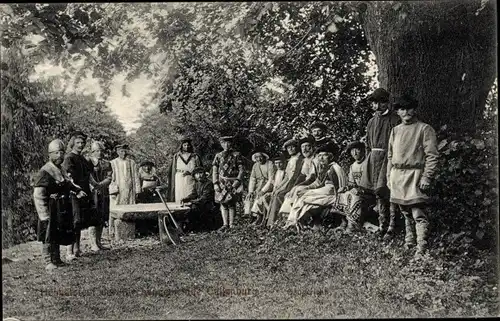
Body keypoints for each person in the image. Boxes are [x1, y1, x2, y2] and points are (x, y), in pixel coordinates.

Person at [387, 94, 439, 257]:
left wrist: (426, 177)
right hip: (398, 175)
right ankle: (409, 241)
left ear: (415, 109)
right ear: (397, 112)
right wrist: (389, 176)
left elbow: (432, 155)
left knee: (417, 211)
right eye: (402, 109)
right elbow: (390, 155)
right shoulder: (395, 131)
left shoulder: (424, 129)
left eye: (409, 108)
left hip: (415, 174)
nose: (406, 112)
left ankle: (421, 246)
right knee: (404, 210)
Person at [33, 139, 85, 271]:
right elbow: (38, 194)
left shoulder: (60, 169)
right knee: (48, 235)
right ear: (50, 154)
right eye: (56, 153)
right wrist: (43, 214)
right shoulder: (45, 171)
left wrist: (77, 190)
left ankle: (56, 258)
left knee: (57, 233)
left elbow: (68, 183)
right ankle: (47, 260)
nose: (59, 156)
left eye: (61, 153)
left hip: (59, 207)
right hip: (49, 208)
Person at [358, 88, 401, 241]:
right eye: (374, 103)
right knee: (377, 194)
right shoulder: (371, 121)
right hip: (374, 158)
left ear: (387, 103)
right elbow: (368, 144)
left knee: (389, 191)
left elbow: (398, 143)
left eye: (381, 103)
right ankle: (382, 224)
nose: (377, 106)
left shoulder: (395, 120)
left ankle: (393, 225)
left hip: (388, 158)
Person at [283, 144, 347, 231]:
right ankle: (293, 222)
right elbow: (318, 182)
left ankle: (293, 222)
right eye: (319, 156)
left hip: (332, 195)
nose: (321, 158)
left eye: (324, 155)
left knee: (303, 197)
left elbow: (341, 186)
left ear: (330, 156)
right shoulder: (323, 168)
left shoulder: (335, 168)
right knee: (302, 196)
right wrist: (307, 188)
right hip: (323, 193)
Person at [62, 131, 97, 260]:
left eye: (82, 143)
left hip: (85, 192)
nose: (80, 145)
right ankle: (69, 251)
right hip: (73, 194)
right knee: (73, 221)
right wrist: (75, 191)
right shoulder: (69, 158)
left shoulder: (83, 159)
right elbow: (68, 178)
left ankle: (77, 249)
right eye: (78, 143)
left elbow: (89, 175)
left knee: (81, 221)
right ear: (73, 143)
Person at [266, 138, 304, 227]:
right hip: (289, 182)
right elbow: (287, 177)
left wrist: (284, 188)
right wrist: (279, 187)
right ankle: (270, 222)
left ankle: (277, 221)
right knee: (275, 193)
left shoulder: (300, 159)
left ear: (296, 148)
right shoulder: (290, 159)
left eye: (292, 147)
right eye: (288, 148)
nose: (290, 149)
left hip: (296, 183)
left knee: (279, 195)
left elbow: (296, 176)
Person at [336, 141, 372, 233]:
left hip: (369, 193)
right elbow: (352, 183)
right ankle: (344, 222)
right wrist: (346, 188)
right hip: (357, 191)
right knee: (342, 194)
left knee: (355, 198)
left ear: (363, 151)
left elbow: (372, 183)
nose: (355, 153)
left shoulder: (368, 164)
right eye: (352, 151)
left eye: (357, 150)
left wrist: (361, 190)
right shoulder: (353, 166)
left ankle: (353, 225)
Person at [278, 135, 317, 218]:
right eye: (303, 147)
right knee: (292, 192)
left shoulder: (316, 159)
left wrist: (297, 187)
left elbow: (312, 177)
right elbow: (302, 176)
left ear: (312, 147)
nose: (305, 149)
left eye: (307, 146)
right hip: (306, 183)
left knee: (297, 191)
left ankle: (292, 218)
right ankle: (286, 217)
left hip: (315, 184)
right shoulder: (305, 160)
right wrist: (294, 187)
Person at [212, 135, 245, 230]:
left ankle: (232, 224)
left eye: (228, 143)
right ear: (221, 144)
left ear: (231, 144)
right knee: (223, 203)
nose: (226, 145)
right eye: (224, 143)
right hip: (221, 182)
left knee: (231, 203)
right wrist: (215, 183)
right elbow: (215, 171)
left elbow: (241, 170)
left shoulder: (237, 155)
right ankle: (225, 224)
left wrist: (237, 181)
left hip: (233, 182)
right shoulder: (218, 156)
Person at [108, 144, 141, 238]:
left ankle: (130, 231)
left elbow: (135, 176)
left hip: (130, 189)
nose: (123, 153)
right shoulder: (113, 163)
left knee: (130, 207)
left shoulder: (132, 162)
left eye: (125, 151)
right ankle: (112, 231)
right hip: (118, 189)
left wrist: (137, 189)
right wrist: (112, 189)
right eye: (121, 151)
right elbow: (111, 178)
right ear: (117, 152)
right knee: (115, 209)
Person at [87, 141, 112, 252]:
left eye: (100, 150)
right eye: (96, 150)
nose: (99, 152)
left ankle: (98, 241)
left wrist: (100, 185)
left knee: (102, 217)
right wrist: (94, 186)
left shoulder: (107, 163)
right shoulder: (88, 162)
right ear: (92, 151)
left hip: (104, 192)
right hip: (92, 193)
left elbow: (109, 177)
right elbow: (87, 176)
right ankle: (93, 243)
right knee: (93, 217)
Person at [251, 154, 287, 225]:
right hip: (274, 191)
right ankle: (263, 218)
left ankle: (271, 219)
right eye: (276, 163)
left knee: (268, 198)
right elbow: (272, 183)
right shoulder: (276, 173)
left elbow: (284, 185)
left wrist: (275, 191)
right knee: (263, 198)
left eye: (280, 163)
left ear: (284, 163)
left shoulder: (285, 173)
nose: (278, 165)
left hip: (281, 192)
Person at [181, 166, 218, 232]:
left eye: (200, 173)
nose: (199, 176)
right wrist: (186, 199)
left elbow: (205, 197)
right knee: (187, 211)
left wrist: (192, 202)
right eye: (197, 174)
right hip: (200, 203)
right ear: (194, 176)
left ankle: (195, 229)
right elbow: (193, 194)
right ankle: (188, 228)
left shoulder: (208, 183)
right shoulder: (197, 184)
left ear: (204, 174)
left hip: (208, 204)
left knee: (193, 209)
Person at [167, 137, 203, 203]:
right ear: (182, 146)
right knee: (179, 192)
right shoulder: (177, 156)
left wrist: (191, 173)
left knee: (190, 192)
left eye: (188, 145)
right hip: (179, 177)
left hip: (191, 177)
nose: (186, 147)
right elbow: (173, 169)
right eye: (185, 145)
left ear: (190, 146)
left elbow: (199, 169)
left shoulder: (195, 156)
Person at [244, 149, 275, 218]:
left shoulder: (270, 164)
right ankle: (248, 214)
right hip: (259, 186)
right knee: (250, 196)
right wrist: (250, 191)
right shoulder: (255, 166)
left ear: (264, 157)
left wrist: (263, 191)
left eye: (260, 157)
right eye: (257, 157)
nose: (259, 159)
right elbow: (253, 179)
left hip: (269, 186)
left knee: (259, 196)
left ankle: (257, 214)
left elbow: (271, 179)